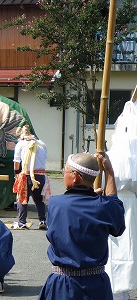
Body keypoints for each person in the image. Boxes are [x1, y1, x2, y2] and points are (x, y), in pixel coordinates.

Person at [38, 152, 126, 300]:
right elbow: (116, 213)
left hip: (63, 284)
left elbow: (71, 208)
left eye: (64, 171)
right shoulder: (105, 207)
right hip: (97, 285)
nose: (63, 174)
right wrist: (109, 172)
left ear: (75, 176)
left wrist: (93, 199)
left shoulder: (55, 204)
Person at [105, 96, 137, 300]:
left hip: (123, 201)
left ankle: (120, 289)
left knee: (124, 246)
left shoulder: (118, 153)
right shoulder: (115, 152)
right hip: (120, 201)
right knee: (120, 245)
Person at [12, 124, 50, 230]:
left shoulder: (20, 144)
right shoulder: (42, 144)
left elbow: (16, 162)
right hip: (41, 175)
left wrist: (16, 175)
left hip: (26, 174)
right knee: (39, 199)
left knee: (22, 198)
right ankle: (42, 220)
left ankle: (22, 222)